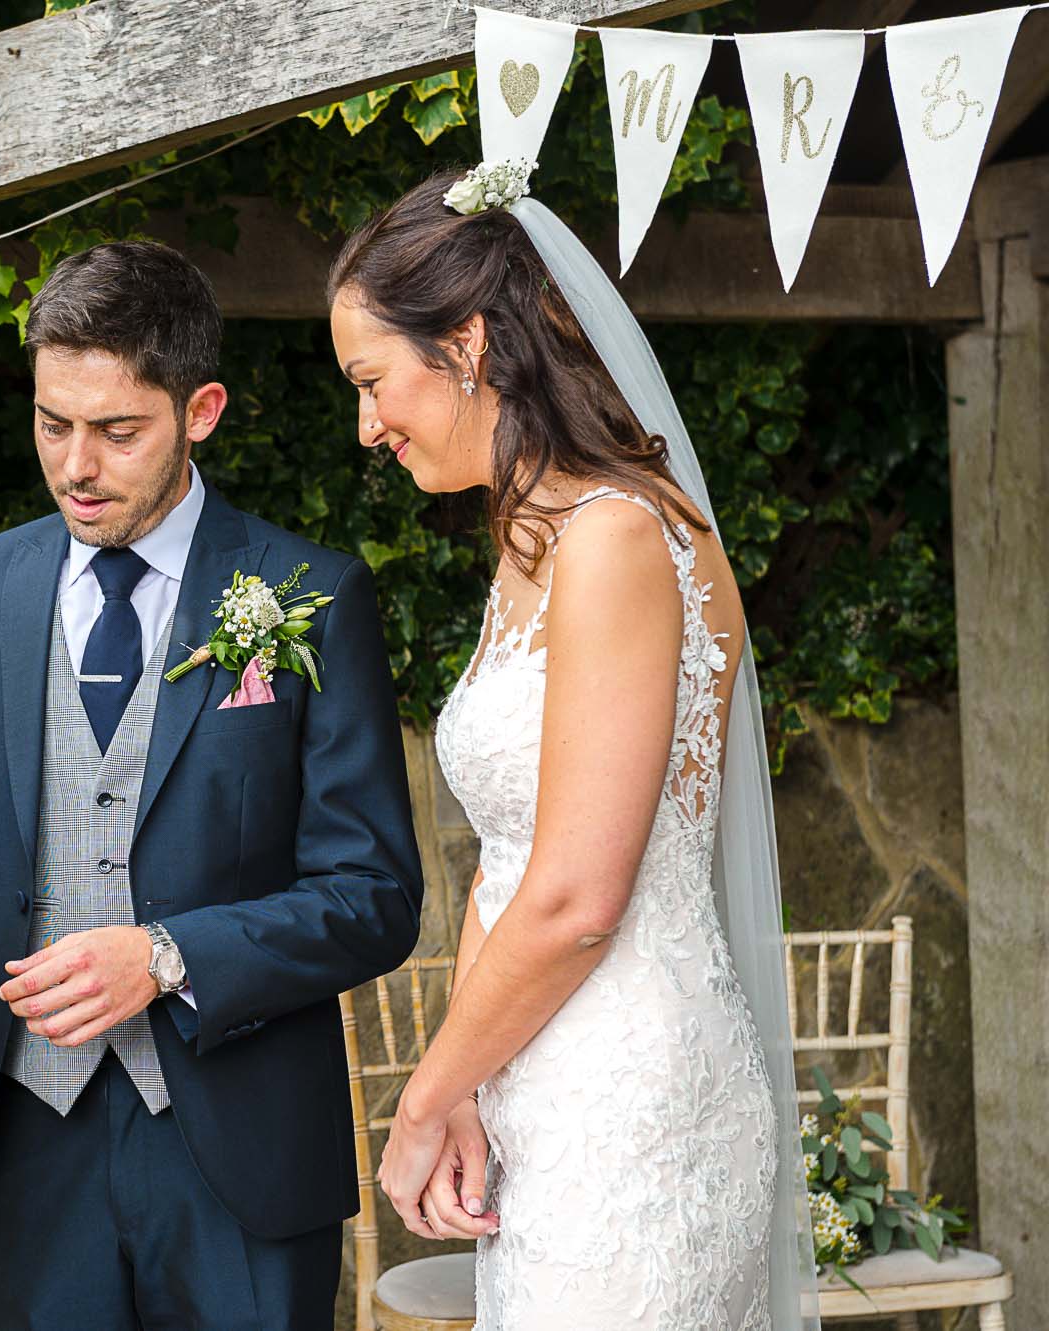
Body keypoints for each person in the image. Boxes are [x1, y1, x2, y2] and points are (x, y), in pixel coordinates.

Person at [0, 240, 423, 1330]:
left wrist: (164, 955)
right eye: (53, 424)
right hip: (28, 1133)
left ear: (201, 410)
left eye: (116, 430)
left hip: (237, 1146)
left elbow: (372, 893)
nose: (76, 465)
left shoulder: (306, 597)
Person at [328, 165, 813, 1328]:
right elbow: (509, 859)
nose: (366, 425)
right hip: (542, 1095)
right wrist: (469, 1087)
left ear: (469, 343)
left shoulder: (615, 537)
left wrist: (421, 1095)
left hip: (628, 1114)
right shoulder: (532, 545)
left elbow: (578, 894)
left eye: (371, 381)